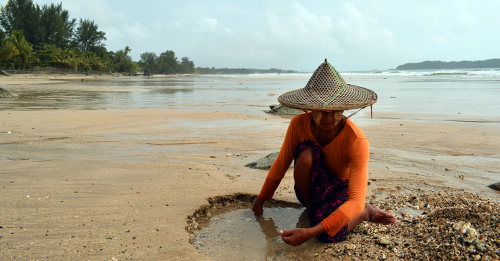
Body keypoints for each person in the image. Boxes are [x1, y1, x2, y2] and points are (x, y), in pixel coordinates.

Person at [252, 59, 396, 246]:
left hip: (339, 190)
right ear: (310, 107)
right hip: (310, 189)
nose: (328, 118)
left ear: (344, 107)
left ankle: (366, 213)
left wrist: (311, 232)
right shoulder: (298, 124)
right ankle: (313, 209)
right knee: (304, 153)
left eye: (335, 111)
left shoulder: (357, 141)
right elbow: (282, 163)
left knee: (328, 236)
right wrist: (260, 201)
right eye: (321, 110)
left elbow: (356, 201)